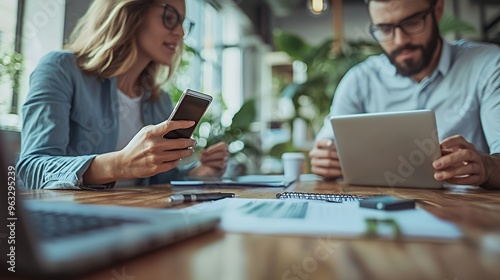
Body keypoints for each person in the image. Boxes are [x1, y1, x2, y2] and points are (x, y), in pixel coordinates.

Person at [17, 0, 229, 189]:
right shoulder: (61, 69)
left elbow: (157, 180)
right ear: (130, 11)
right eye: (170, 18)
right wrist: (119, 165)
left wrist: (196, 172)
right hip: (77, 222)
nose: (181, 33)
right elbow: (31, 170)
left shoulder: (159, 100)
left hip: (141, 218)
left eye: (183, 23)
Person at [310, 0, 500, 189]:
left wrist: (488, 167)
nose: (400, 40)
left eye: (412, 23)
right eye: (385, 29)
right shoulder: (358, 81)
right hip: (380, 209)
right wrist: (325, 159)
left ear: (438, 10)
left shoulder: (489, 66)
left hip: (466, 211)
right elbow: (327, 148)